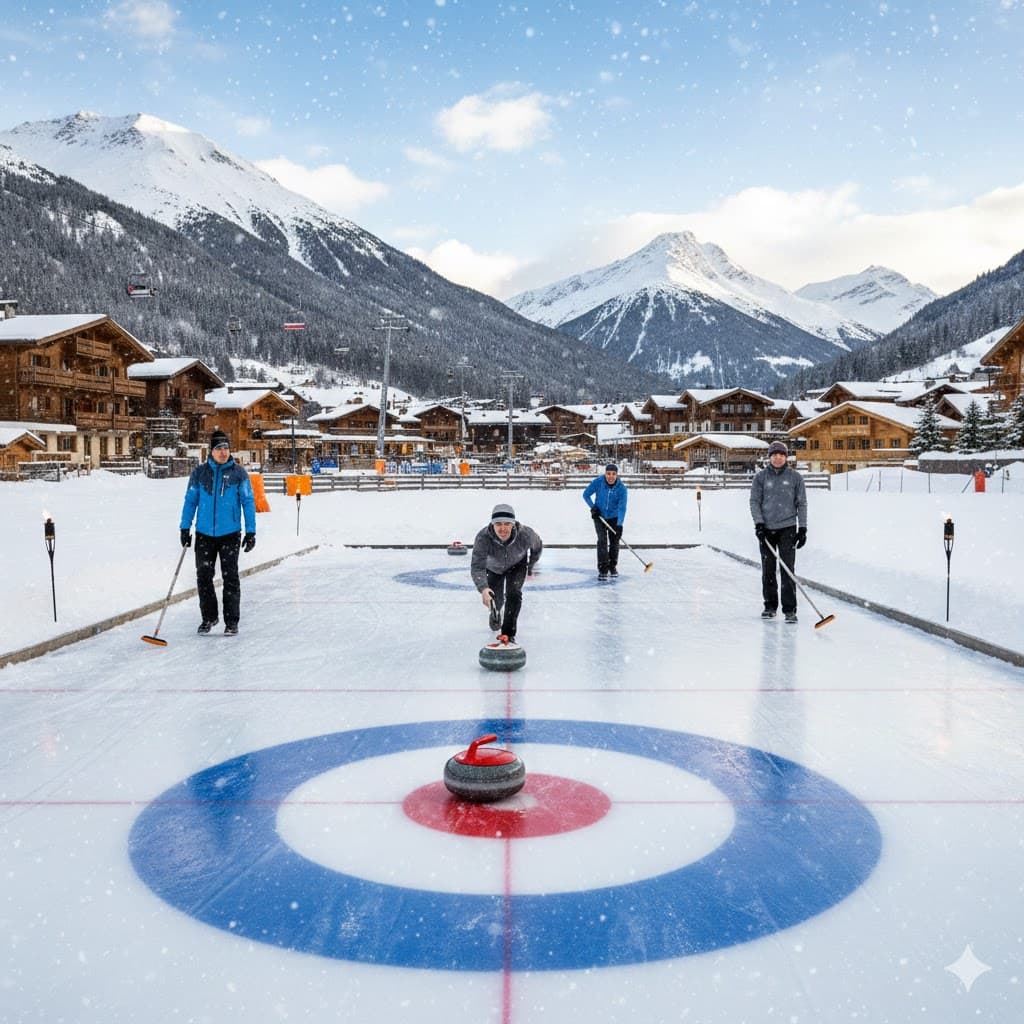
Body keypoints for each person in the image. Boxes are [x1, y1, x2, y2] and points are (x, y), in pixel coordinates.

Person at [179, 429, 257, 636]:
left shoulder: (238, 473)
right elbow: (190, 500)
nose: (223, 452)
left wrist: (251, 531)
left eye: (226, 448)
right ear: (211, 451)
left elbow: (248, 502)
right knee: (203, 577)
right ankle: (209, 618)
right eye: (218, 448)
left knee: (230, 577)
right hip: (204, 534)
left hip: (230, 533)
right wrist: (185, 527)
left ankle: (231, 621)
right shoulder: (200, 473)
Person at [749, 440, 807, 623]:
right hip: (766, 530)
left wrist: (803, 527)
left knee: (787, 570)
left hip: (788, 529)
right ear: (769, 457)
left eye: (781, 455)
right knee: (768, 570)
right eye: (774, 455)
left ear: (786, 457)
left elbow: (801, 503)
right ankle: (770, 606)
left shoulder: (795, 477)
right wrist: (759, 524)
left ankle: (790, 610)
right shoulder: (760, 478)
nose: (778, 458)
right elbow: (754, 502)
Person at [470, 503, 543, 643]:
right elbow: (477, 566)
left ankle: (508, 634)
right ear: (492, 524)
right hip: (493, 568)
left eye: (507, 524)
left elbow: (537, 547)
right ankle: (495, 612)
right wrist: (484, 589)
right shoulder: (483, 538)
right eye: (498, 524)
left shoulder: (526, 535)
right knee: (496, 600)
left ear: (513, 524)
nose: (502, 528)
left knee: (513, 593)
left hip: (517, 565)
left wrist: (530, 565)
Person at [582, 463, 628, 579]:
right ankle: (603, 567)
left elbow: (622, 508)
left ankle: (612, 566)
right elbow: (586, 495)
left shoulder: (622, 489)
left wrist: (619, 525)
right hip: (599, 516)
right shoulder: (598, 482)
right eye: (608, 474)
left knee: (614, 541)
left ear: (617, 475)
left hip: (614, 517)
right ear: (605, 473)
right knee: (602, 540)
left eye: (613, 474)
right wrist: (593, 507)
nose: (610, 476)